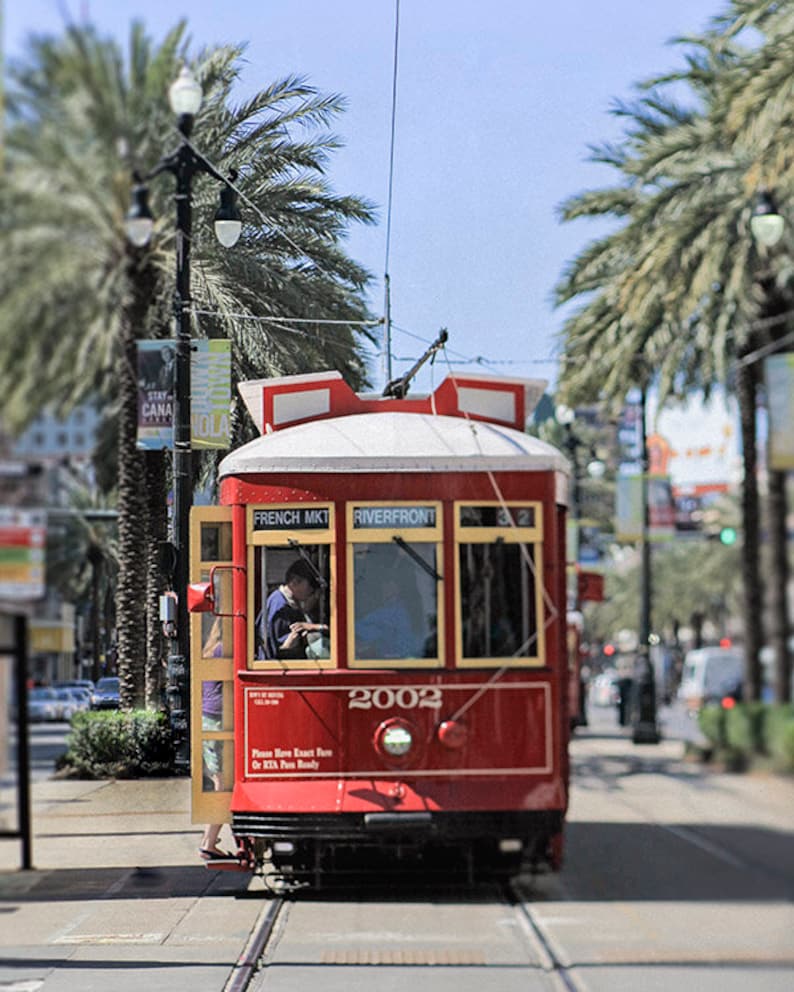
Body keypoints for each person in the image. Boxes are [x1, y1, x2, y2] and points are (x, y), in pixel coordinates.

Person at [259, 559, 328, 660]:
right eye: (311, 585)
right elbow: (284, 648)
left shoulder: (282, 600)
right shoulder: (281, 607)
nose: (311, 591)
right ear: (295, 582)